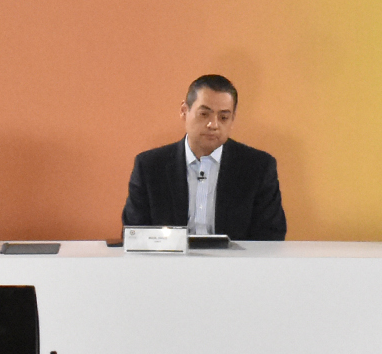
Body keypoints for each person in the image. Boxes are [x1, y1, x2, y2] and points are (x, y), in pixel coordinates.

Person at [121, 73, 288, 240]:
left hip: (235, 257)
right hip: (169, 257)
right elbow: (134, 235)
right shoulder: (150, 167)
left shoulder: (258, 167)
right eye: (204, 114)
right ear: (184, 111)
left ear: (233, 119)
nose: (213, 125)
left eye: (223, 117)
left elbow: (271, 237)